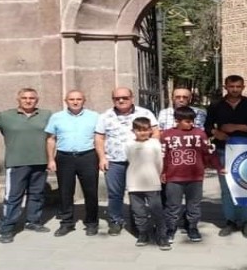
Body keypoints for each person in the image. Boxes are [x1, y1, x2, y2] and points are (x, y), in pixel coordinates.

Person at [204, 75, 247, 239]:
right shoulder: (216, 105)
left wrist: (236, 127)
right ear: (226, 87)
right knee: (226, 188)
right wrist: (216, 132)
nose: (235, 89)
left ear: (243, 87)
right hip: (224, 150)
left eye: (238, 86)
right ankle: (230, 221)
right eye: (231, 86)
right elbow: (207, 126)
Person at [0, 88, 53, 244]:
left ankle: (33, 221)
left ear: (37, 100)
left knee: (37, 194)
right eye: (24, 98)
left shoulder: (47, 115)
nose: (28, 100)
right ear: (18, 99)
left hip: (40, 161)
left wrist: (52, 159)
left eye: (32, 98)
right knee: (13, 197)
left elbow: (53, 136)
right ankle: (7, 229)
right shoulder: (5, 116)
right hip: (16, 163)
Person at [95, 87, 159, 236]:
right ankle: (115, 221)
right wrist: (102, 158)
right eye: (117, 98)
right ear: (113, 100)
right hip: (114, 161)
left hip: (139, 162)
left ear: (132, 98)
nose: (121, 100)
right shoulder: (105, 116)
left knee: (138, 193)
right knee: (115, 194)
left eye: (125, 97)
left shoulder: (145, 113)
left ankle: (138, 222)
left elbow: (156, 132)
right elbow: (99, 138)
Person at [161, 106, 224, 244]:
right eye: (187, 121)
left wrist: (219, 167)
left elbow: (209, 152)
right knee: (173, 205)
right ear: (177, 120)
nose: (191, 124)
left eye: (192, 121)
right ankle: (170, 228)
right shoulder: (167, 135)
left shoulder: (199, 134)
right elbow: (163, 156)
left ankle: (192, 227)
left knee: (194, 205)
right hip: (174, 177)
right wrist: (163, 172)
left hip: (195, 177)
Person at [45, 90, 100, 237]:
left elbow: (100, 138)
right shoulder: (56, 117)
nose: (75, 102)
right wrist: (51, 159)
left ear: (84, 100)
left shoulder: (95, 116)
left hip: (88, 156)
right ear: (66, 101)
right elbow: (51, 139)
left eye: (78, 99)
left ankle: (92, 223)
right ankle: (67, 223)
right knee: (65, 192)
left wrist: (102, 158)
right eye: (72, 99)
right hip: (64, 157)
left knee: (91, 191)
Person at [126, 117, 171, 250]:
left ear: (150, 130)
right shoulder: (129, 144)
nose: (142, 133)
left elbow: (159, 162)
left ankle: (162, 236)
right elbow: (130, 159)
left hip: (152, 181)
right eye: (139, 130)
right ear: (133, 131)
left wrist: (158, 175)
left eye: (145, 130)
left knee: (156, 210)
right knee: (138, 211)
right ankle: (143, 233)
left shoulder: (155, 143)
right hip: (134, 182)